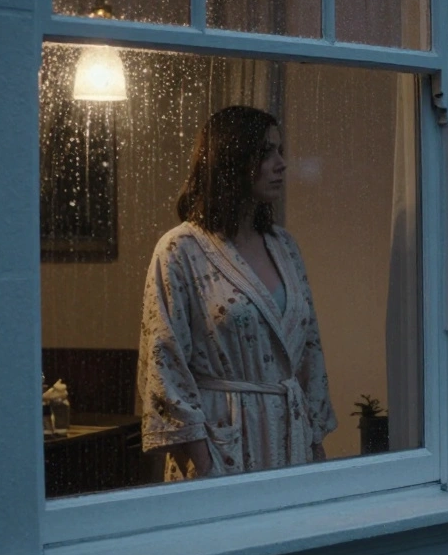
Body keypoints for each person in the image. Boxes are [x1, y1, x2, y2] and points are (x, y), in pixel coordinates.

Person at [138, 105, 337, 480]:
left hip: (289, 438)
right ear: (231, 160)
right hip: (220, 443)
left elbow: (310, 350)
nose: (281, 164)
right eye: (266, 152)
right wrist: (204, 462)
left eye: (280, 151)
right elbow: (164, 362)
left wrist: (313, 442)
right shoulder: (181, 249)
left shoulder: (284, 246)